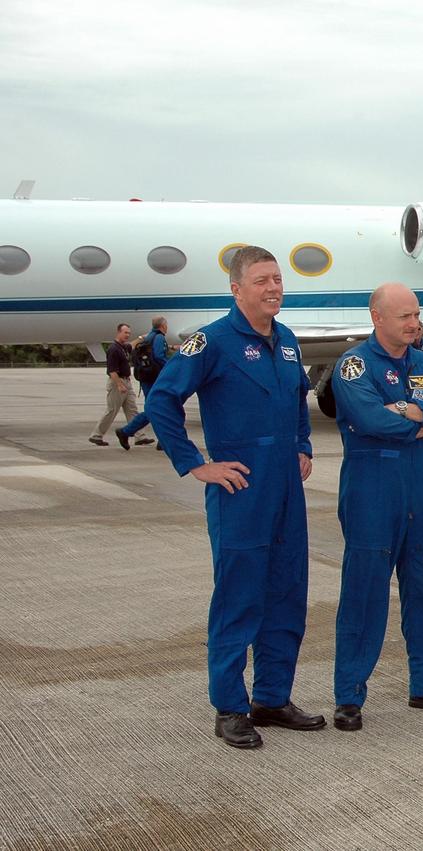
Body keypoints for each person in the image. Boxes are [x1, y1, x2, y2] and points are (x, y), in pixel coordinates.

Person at [147, 246, 323, 750]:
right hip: (241, 487)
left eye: (278, 280)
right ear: (236, 289)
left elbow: (296, 400)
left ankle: (272, 697)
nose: (274, 288)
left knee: (287, 593)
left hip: (286, 486)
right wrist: (195, 463)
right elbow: (162, 399)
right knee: (239, 598)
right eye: (263, 280)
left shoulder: (287, 340)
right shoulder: (212, 342)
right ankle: (229, 706)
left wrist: (304, 446)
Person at [331, 282, 423, 730]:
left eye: (416, 314)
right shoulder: (354, 365)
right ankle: (349, 695)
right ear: (377, 318)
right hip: (373, 483)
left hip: (420, 483)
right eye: (404, 317)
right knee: (365, 589)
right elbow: (370, 419)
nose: (414, 323)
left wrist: (416, 413)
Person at [116, 316, 169, 450]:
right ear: (162, 326)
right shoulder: (159, 338)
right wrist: (170, 368)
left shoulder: (148, 337)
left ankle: (162, 441)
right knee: (158, 408)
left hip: (146, 378)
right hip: (155, 379)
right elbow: (158, 356)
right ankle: (125, 432)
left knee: (156, 408)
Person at [88, 323, 139, 446]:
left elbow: (131, 346)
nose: (127, 335)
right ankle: (96, 435)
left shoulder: (122, 347)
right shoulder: (114, 349)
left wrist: (141, 339)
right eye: (125, 332)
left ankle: (140, 436)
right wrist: (120, 385)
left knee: (132, 410)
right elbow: (112, 371)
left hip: (127, 381)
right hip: (118, 382)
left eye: (129, 333)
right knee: (112, 410)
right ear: (118, 332)